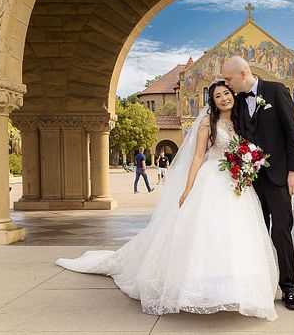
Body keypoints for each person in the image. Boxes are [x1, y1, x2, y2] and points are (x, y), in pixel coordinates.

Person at [57, 81, 278, 320]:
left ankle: (231, 288)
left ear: (233, 95)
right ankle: (199, 288)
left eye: (226, 93)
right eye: (217, 96)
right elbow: (196, 158)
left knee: (235, 234)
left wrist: (246, 165)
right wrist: (188, 188)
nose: (224, 98)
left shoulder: (241, 122)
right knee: (205, 232)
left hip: (235, 184)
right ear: (212, 102)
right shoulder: (207, 123)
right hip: (211, 180)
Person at [222, 56, 294, 311]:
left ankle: (288, 288)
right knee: (253, 234)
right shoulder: (236, 103)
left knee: (281, 232)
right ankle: (258, 288)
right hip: (249, 181)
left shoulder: (276, 92)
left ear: (243, 73)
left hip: (278, 177)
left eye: (228, 79)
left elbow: (292, 134)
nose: (226, 84)